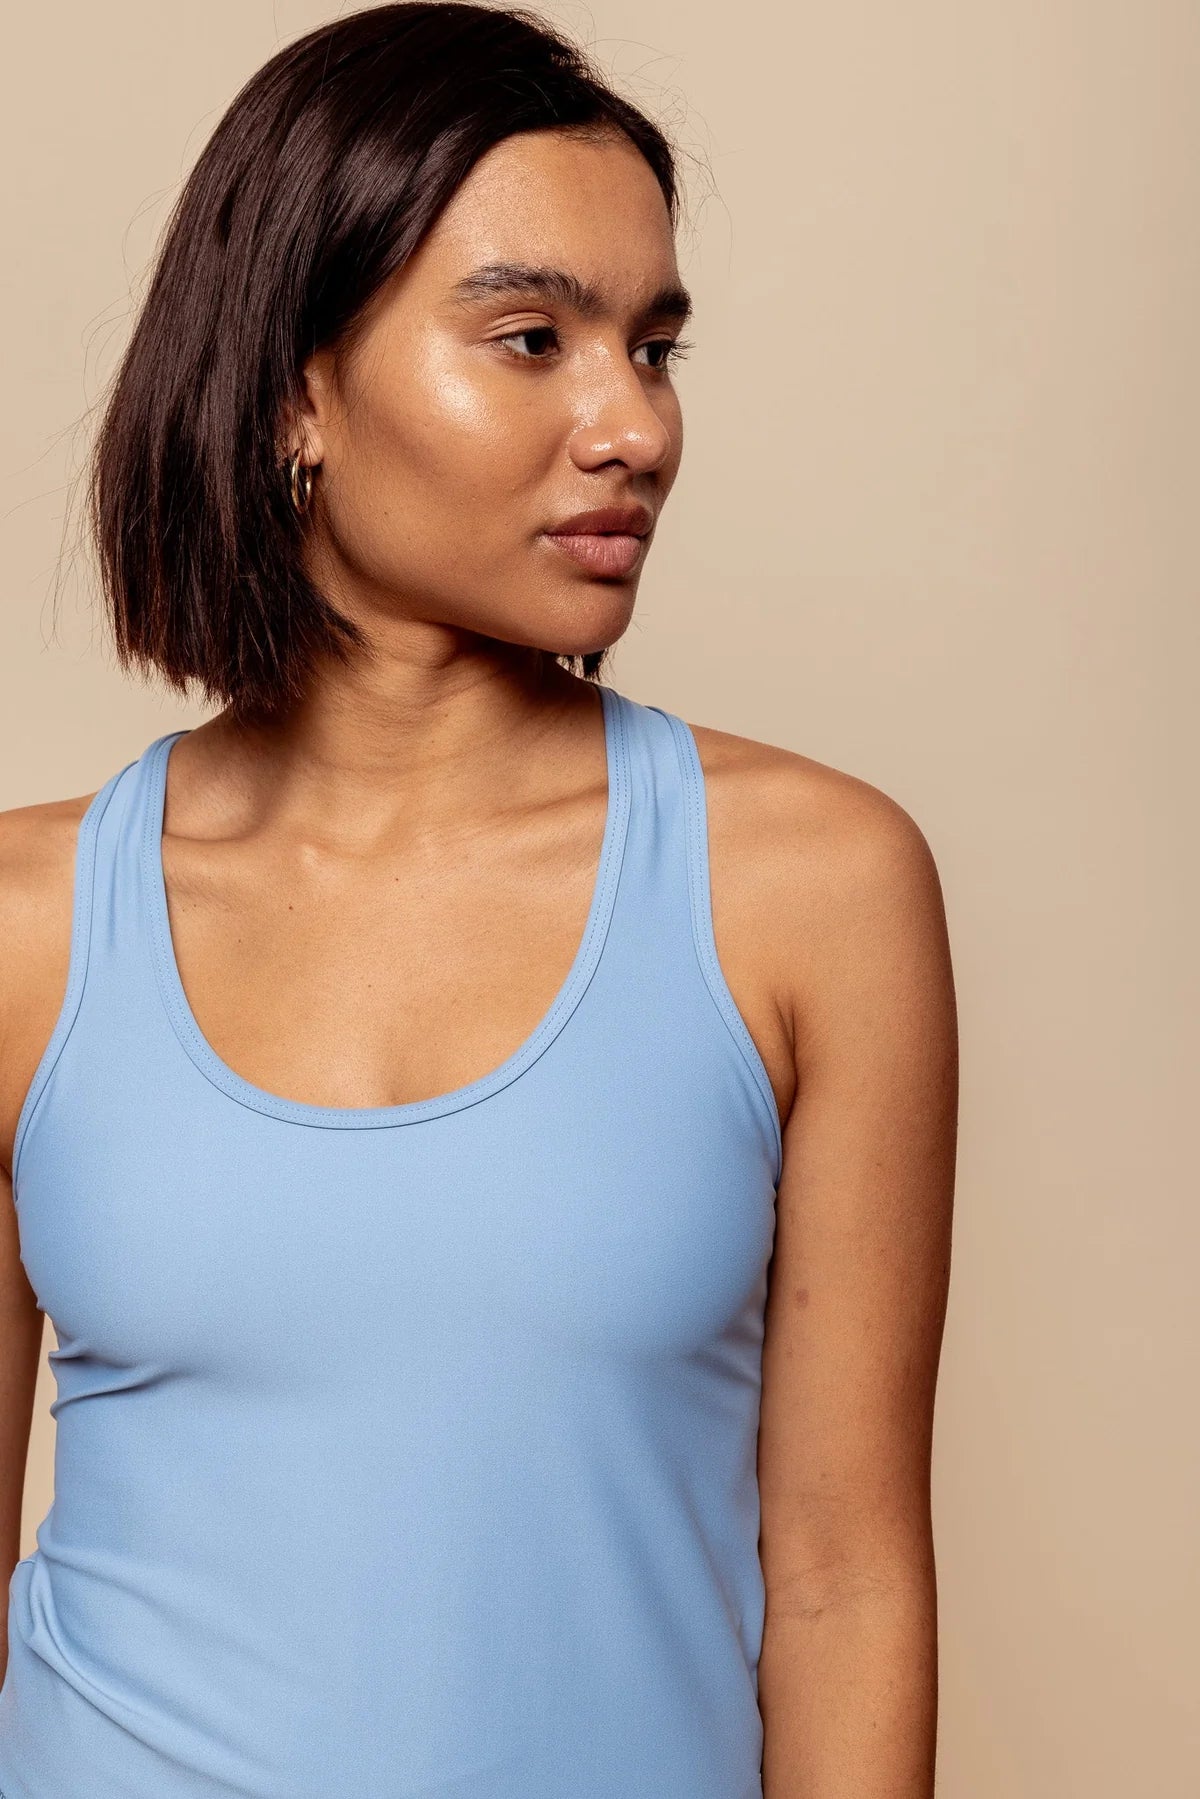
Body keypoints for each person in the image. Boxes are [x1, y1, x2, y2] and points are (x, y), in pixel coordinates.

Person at [0, 5, 958, 1796]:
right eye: (532, 340)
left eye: (654, 348)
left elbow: (843, 1584)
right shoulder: (25, 928)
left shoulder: (811, 891)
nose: (634, 427)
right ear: (296, 392)